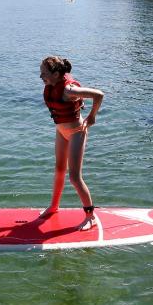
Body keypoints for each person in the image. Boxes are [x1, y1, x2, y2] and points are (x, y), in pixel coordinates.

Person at [38, 56, 104, 231]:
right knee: (59, 169)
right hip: (61, 131)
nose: (40, 76)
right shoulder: (52, 85)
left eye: (44, 73)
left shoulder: (68, 90)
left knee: (74, 177)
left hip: (76, 133)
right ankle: (54, 206)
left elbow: (98, 95)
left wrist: (92, 116)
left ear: (57, 74)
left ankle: (91, 216)